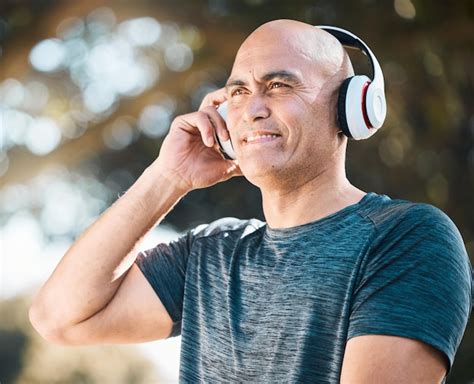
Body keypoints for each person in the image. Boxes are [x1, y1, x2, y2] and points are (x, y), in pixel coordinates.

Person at [29, 19, 472, 383]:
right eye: (238, 91)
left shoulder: (408, 238)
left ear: (351, 110)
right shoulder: (208, 255)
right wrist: (169, 176)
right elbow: (60, 318)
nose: (252, 107)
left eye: (279, 85)